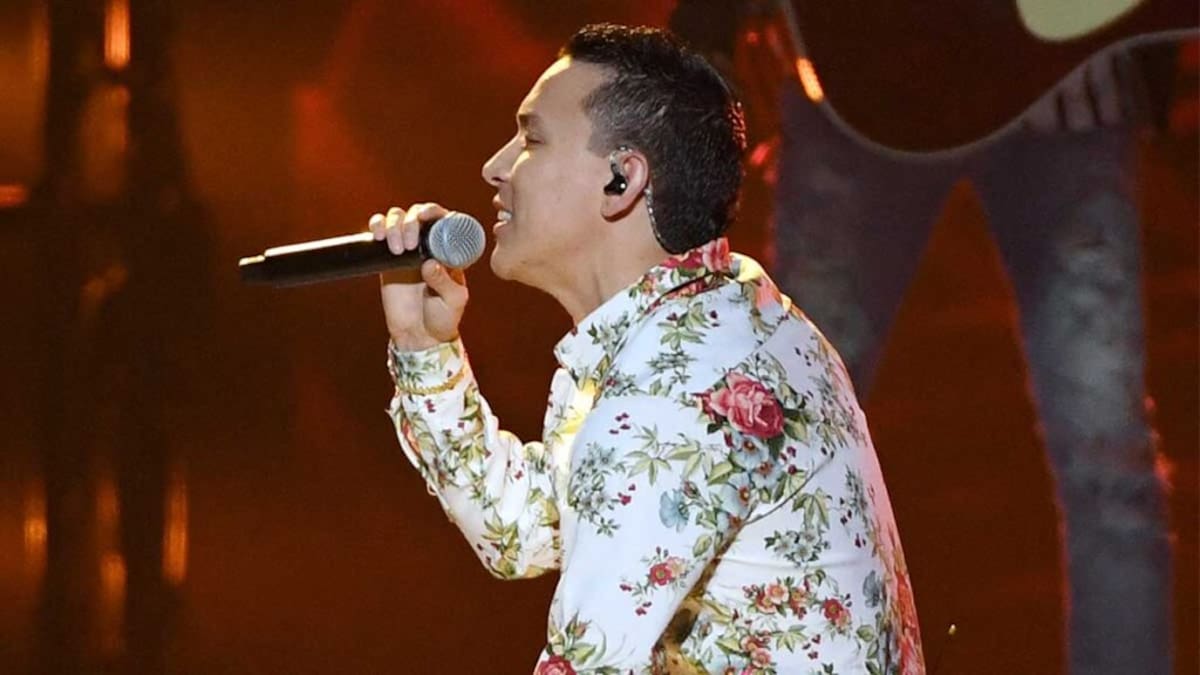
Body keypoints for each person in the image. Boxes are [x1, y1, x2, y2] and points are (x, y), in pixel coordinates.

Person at [371, 24, 923, 674]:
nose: (494, 166)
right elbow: (518, 532)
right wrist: (424, 347)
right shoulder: (699, 324)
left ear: (621, 179)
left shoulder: (689, 379)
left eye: (531, 138)